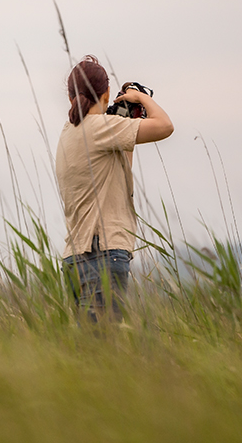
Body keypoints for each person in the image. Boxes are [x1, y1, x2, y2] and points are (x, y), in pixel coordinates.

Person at [55, 56, 174, 323]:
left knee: (91, 350)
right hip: (103, 252)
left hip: (76, 256)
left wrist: (124, 122)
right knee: (104, 346)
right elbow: (165, 126)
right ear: (106, 94)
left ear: (70, 96)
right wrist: (139, 98)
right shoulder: (100, 128)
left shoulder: (69, 132)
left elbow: (119, 173)